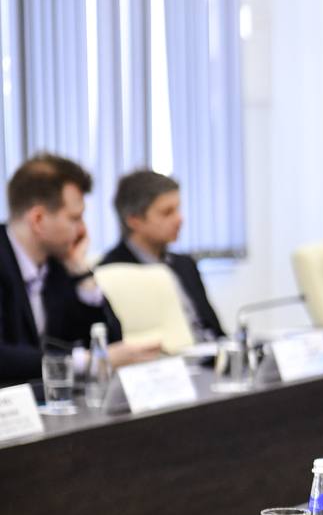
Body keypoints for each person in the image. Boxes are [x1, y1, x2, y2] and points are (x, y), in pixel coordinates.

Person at [0, 153, 161, 385]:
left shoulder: (58, 264)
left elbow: (110, 341)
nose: (82, 230)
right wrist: (83, 362)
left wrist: (81, 273)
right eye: (75, 218)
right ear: (38, 220)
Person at [99, 169, 225, 341]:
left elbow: (216, 331)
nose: (179, 219)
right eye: (167, 212)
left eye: (178, 209)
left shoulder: (185, 264)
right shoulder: (111, 272)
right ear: (134, 220)